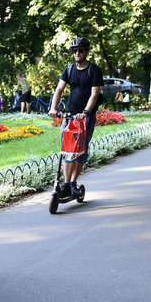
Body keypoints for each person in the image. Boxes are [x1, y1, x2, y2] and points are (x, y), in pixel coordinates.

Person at [48, 37, 103, 198]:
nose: (77, 53)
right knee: (67, 150)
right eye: (75, 51)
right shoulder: (69, 70)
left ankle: (73, 183)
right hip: (70, 114)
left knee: (81, 151)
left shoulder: (94, 70)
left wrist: (85, 112)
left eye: (80, 50)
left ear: (86, 52)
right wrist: (53, 108)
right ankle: (65, 184)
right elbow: (59, 90)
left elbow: (94, 94)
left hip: (86, 117)